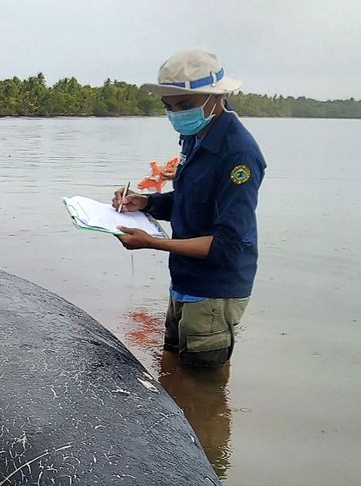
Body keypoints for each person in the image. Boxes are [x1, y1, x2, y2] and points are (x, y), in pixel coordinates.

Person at [113, 49, 266, 369]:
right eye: (168, 107)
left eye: (183, 106)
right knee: (173, 373)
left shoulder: (238, 154)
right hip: (184, 280)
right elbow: (188, 202)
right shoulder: (194, 136)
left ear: (215, 98)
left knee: (204, 389)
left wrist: (152, 242)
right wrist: (147, 202)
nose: (175, 115)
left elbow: (226, 245)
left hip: (214, 291)